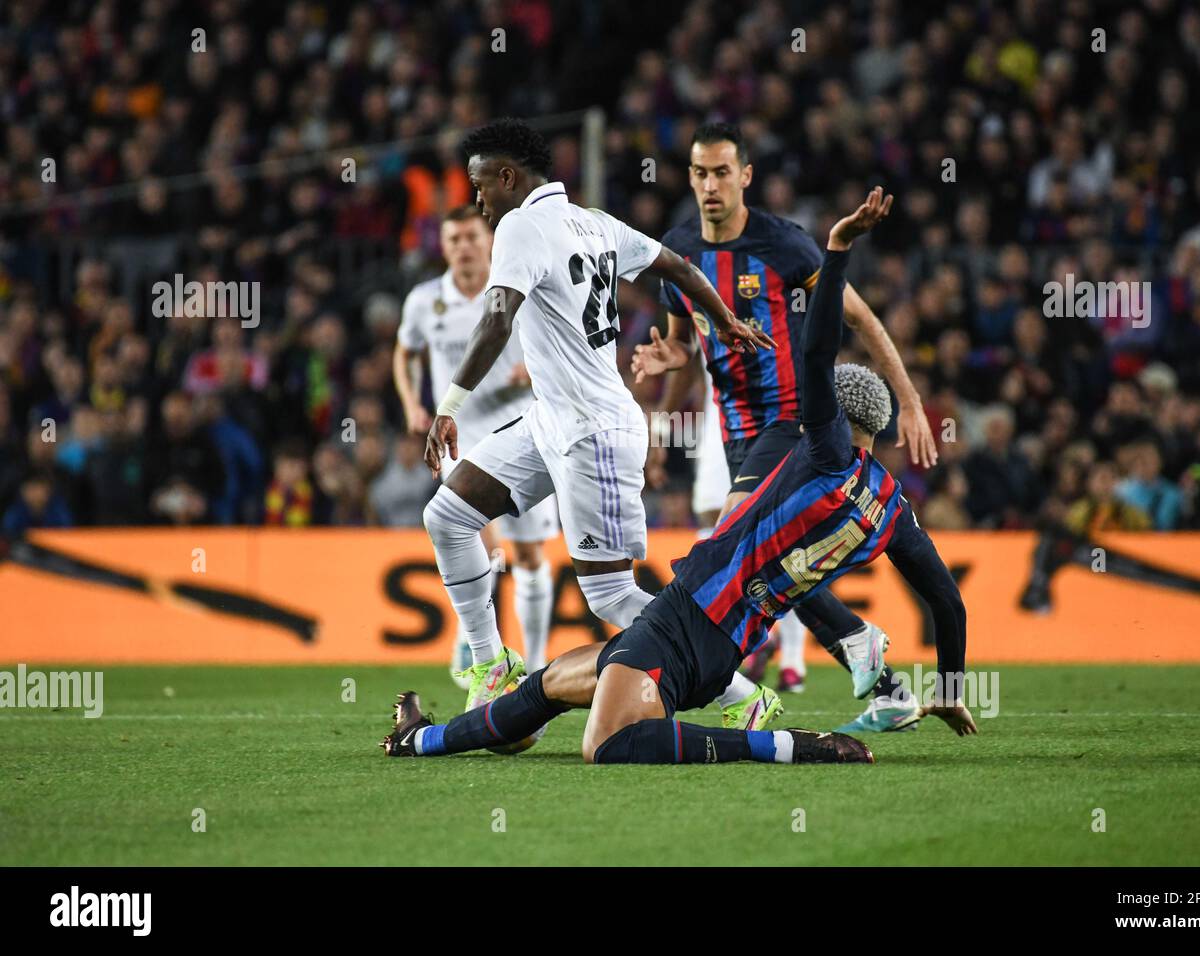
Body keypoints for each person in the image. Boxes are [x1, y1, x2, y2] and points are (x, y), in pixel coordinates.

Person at [386, 189, 975, 764]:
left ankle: (791, 741)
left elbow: (817, 354)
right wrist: (949, 688)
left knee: (608, 741)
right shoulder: (893, 510)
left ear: (833, 421)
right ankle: (418, 741)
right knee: (547, 687)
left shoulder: (823, 449)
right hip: (722, 639)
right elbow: (948, 603)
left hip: (689, 618)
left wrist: (838, 249)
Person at [422, 118, 772, 714]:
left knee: (611, 596)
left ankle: (744, 695)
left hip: (594, 431)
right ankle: (490, 665)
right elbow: (681, 268)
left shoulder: (519, 227)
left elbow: (498, 316)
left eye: (481, 185)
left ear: (509, 177)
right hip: (551, 420)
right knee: (449, 515)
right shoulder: (594, 222)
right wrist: (725, 319)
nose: (477, 199)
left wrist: (449, 406)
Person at [634, 122, 937, 729]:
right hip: (735, 432)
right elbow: (680, 346)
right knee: (764, 557)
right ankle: (882, 679)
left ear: (745, 176)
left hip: (795, 419)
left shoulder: (784, 245)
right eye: (700, 172)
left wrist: (908, 400)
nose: (711, 184)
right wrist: (665, 404)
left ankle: (784, 670)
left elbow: (860, 318)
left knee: (732, 536)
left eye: (723, 172)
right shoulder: (677, 249)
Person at [395, 205, 559, 682]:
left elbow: (556, 339)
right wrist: (411, 403)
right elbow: (405, 352)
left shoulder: (517, 290)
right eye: (453, 239)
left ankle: (537, 659)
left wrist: (535, 367)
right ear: (442, 246)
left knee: (527, 558)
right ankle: (478, 644)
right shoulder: (426, 301)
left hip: (525, 433)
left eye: (470, 236)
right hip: (461, 441)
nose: (462, 246)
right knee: (482, 543)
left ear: (487, 240)